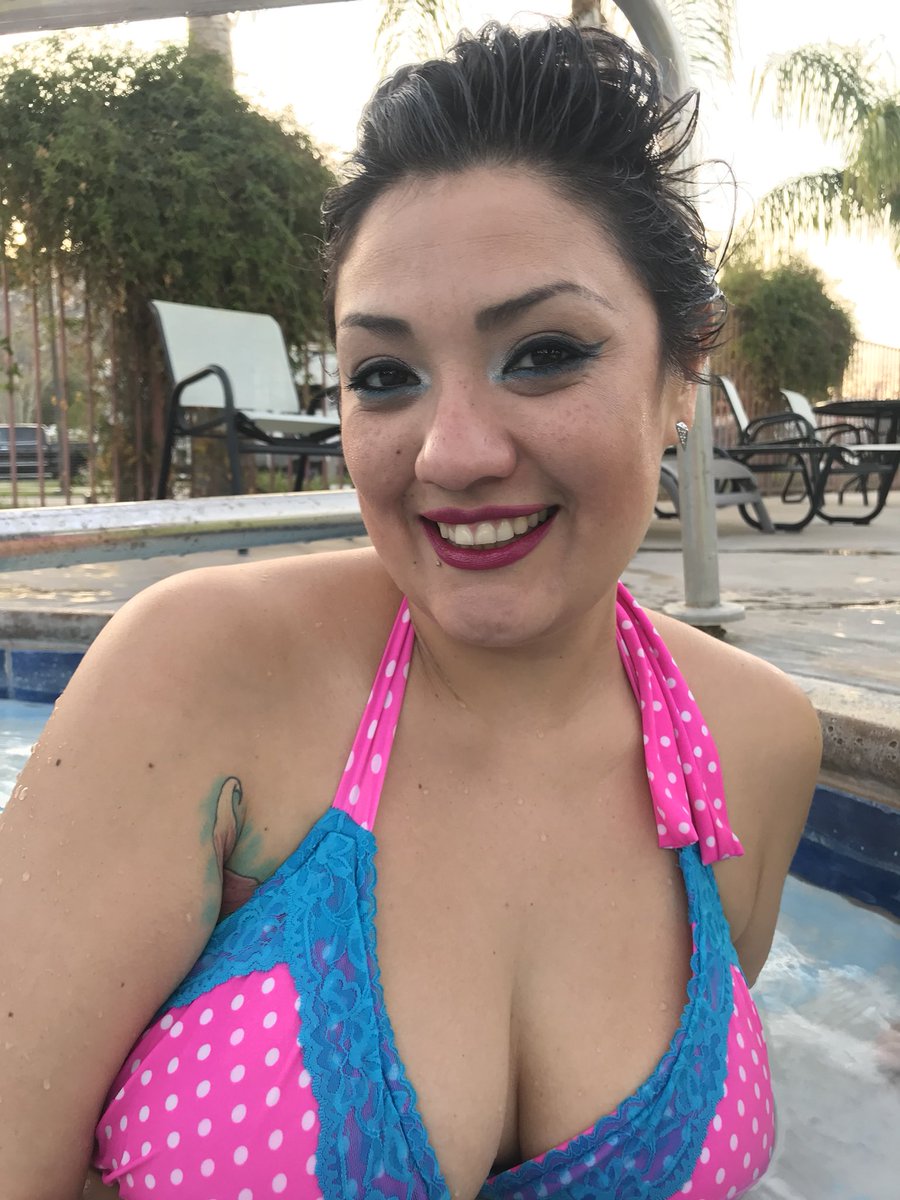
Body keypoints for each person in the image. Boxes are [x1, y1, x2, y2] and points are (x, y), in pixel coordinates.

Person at [0, 22, 821, 1200]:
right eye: (385, 376)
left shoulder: (752, 746)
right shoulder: (201, 677)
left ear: (681, 373)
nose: (452, 452)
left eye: (543, 352)